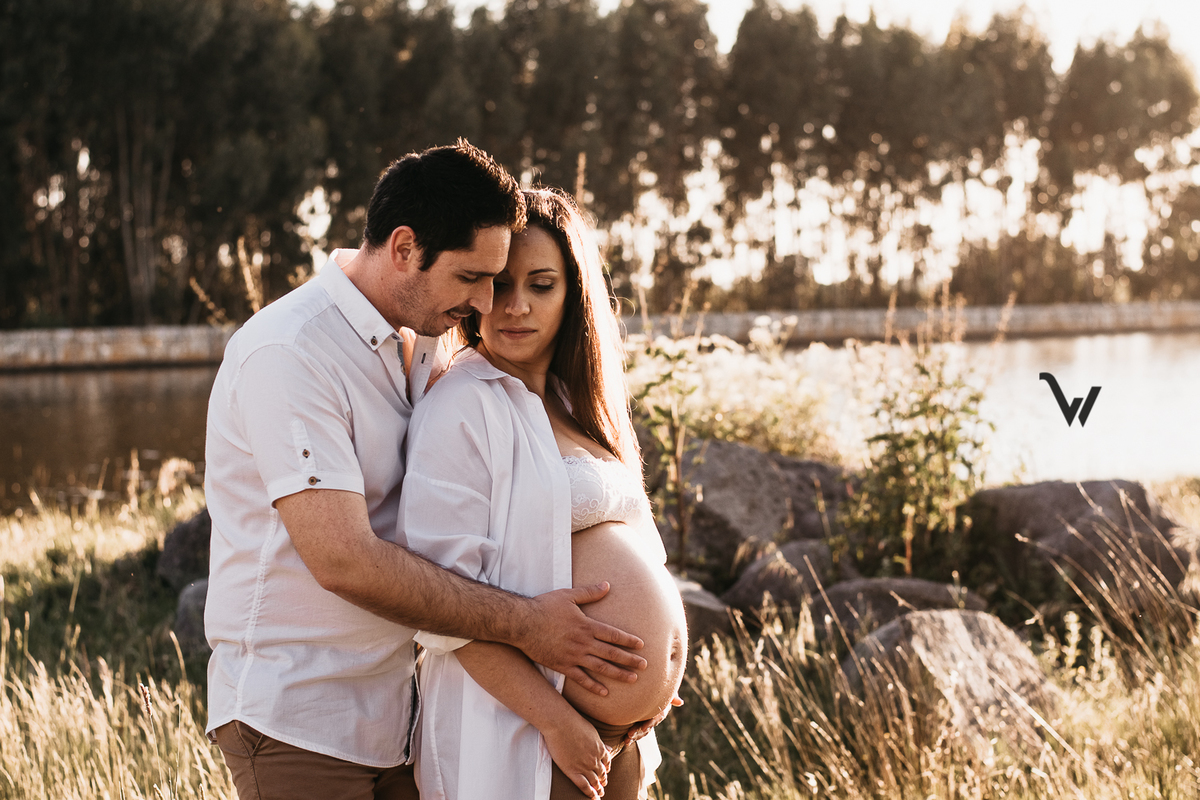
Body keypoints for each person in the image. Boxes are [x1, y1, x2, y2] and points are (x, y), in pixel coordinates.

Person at [203, 142, 648, 799]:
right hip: (302, 715)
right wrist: (530, 625)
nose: (485, 304)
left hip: (399, 712)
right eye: (471, 279)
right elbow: (343, 560)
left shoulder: (425, 337)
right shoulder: (291, 351)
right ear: (405, 248)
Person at [399, 188, 688, 800]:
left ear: (573, 293)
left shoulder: (572, 403)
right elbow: (442, 605)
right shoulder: (459, 407)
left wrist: (658, 679)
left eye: (542, 284)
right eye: (500, 285)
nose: (516, 306)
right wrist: (559, 722)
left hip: (622, 736)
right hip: (533, 731)